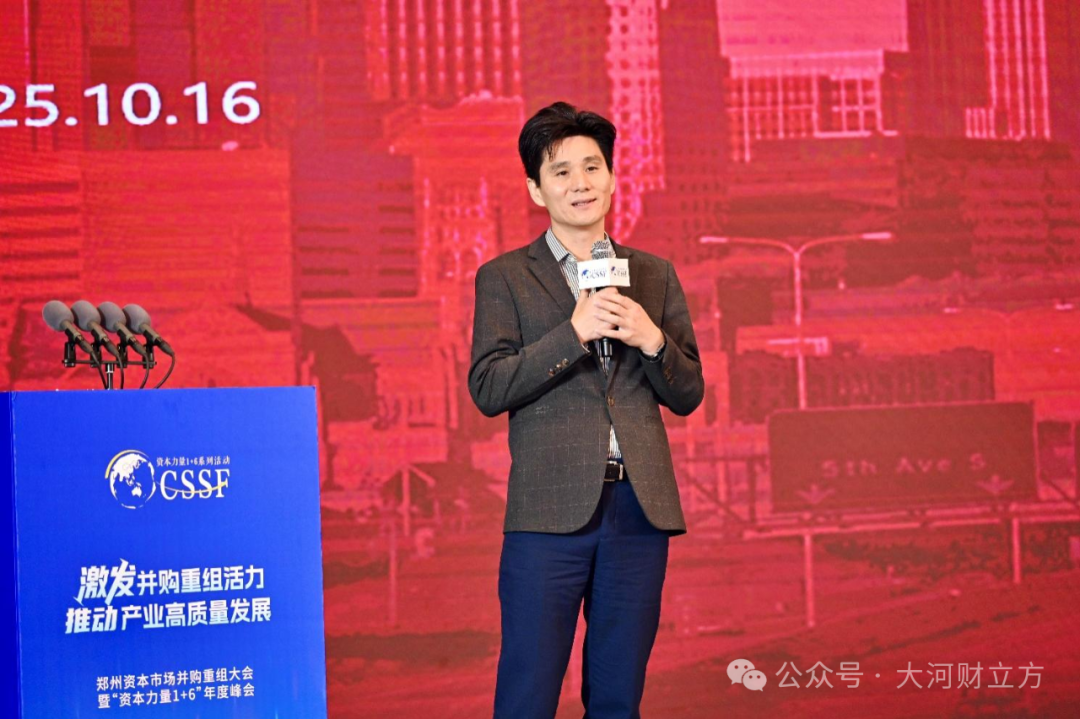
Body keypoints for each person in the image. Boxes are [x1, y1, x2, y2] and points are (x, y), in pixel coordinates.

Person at [468, 101, 705, 719]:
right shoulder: (505, 278)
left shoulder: (652, 275)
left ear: (613, 178)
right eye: (562, 172)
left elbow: (688, 393)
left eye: (593, 167)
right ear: (535, 189)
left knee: (618, 697)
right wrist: (572, 333)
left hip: (638, 510)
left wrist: (652, 341)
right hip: (548, 514)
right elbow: (488, 387)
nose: (581, 183)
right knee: (527, 695)